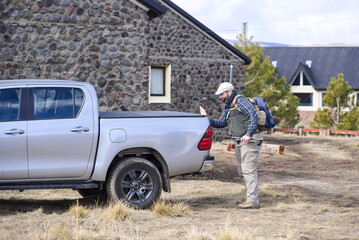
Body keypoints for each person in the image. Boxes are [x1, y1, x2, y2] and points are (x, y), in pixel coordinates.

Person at [200, 82, 262, 209]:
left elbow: (253, 114)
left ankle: (253, 200)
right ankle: (249, 197)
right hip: (240, 142)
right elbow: (221, 123)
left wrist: (249, 134)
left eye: (222, 94)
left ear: (229, 92)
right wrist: (206, 118)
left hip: (250, 141)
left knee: (248, 170)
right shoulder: (228, 107)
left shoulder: (241, 101)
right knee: (242, 171)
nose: (220, 97)